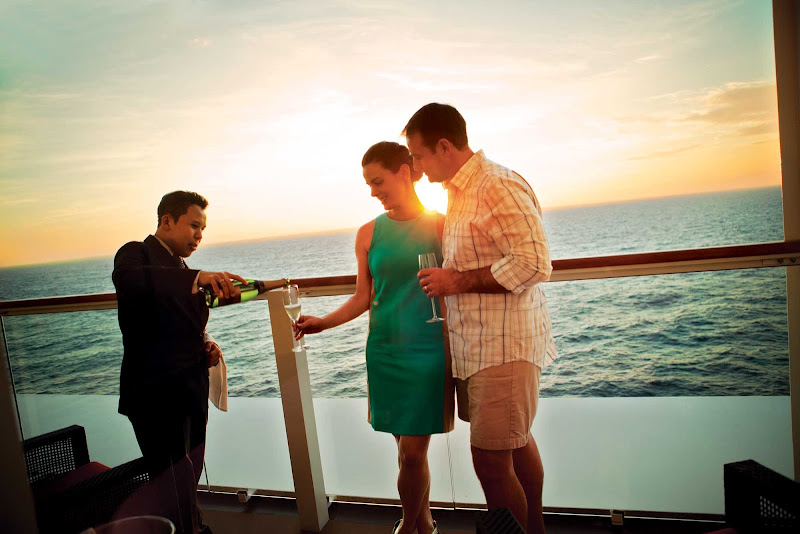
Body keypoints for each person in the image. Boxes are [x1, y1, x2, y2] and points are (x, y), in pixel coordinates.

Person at [406, 103, 557, 534]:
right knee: (515, 443)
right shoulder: (459, 192)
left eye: (418, 156)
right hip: (478, 347)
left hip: (503, 348)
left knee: (490, 460)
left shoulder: (496, 184)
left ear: (444, 146)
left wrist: (454, 281)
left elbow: (533, 263)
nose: (415, 166)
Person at [295, 142, 453, 534]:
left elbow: (458, 285)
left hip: (429, 351)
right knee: (406, 452)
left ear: (405, 172)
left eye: (378, 181)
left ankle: (408, 527)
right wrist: (323, 323)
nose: (372, 191)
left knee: (412, 453)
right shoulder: (368, 233)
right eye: (368, 184)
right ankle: (425, 524)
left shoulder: (442, 226)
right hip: (384, 352)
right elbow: (363, 297)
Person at [113, 190, 247, 534]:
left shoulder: (184, 268)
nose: (199, 235)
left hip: (190, 388)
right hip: (155, 394)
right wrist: (197, 277)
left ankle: (192, 527)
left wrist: (207, 345)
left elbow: (186, 326)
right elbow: (134, 282)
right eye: (194, 226)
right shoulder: (134, 254)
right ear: (167, 221)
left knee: (189, 475)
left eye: (203, 229)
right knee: (173, 480)